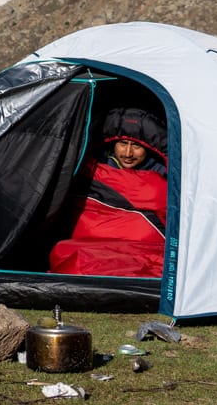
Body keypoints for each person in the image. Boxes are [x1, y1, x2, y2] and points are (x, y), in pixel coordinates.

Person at [47, 107, 168, 277]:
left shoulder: (166, 180)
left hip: (141, 250)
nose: (128, 153)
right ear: (113, 144)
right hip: (85, 246)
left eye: (136, 146)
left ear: (149, 148)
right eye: (123, 144)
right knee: (65, 252)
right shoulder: (87, 171)